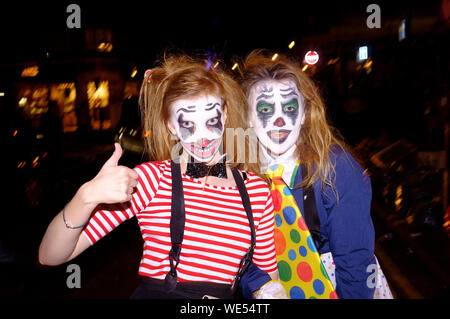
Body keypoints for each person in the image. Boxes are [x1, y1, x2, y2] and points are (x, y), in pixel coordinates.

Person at [38, 54, 281, 299]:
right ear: (171, 125)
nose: (203, 136)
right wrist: (86, 196)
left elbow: (268, 278)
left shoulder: (256, 191)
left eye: (211, 120)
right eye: (188, 124)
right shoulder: (152, 179)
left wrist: (269, 293)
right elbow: (50, 255)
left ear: (225, 115)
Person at [238, 50, 389, 299]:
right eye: (265, 108)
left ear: (305, 113)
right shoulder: (237, 175)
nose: (279, 120)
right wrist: (260, 286)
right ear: (247, 117)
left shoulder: (337, 168)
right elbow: (236, 256)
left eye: (289, 107)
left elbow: (355, 262)